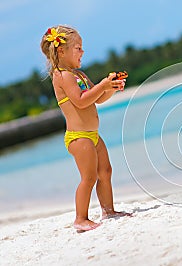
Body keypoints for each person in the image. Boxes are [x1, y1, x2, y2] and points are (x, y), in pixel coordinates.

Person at [40, 25, 129, 232]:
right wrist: (102, 85)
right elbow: (80, 101)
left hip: (93, 135)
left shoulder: (78, 74)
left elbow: (97, 98)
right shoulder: (62, 76)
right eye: (78, 48)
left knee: (105, 171)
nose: (82, 52)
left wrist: (111, 88)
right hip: (79, 137)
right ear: (61, 51)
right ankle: (81, 218)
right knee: (89, 177)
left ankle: (109, 210)